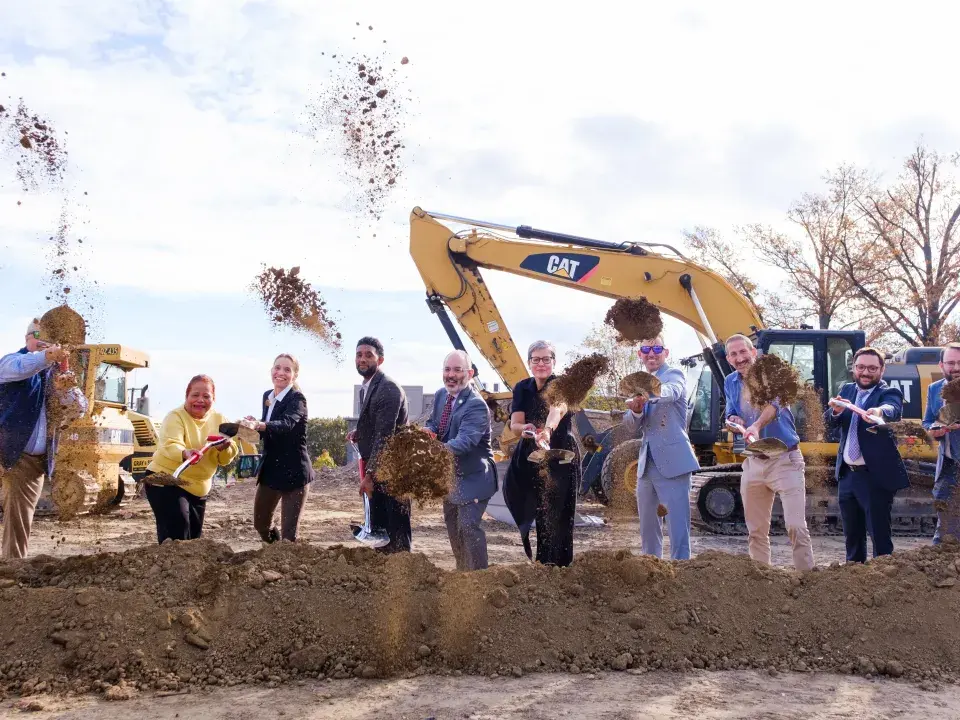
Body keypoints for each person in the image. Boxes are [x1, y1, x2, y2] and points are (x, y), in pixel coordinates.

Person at [724, 334, 815, 571]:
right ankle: (762, 582)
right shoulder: (730, 382)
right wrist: (733, 420)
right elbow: (732, 411)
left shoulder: (772, 374)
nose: (739, 358)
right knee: (755, 530)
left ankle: (808, 580)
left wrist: (756, 426)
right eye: (733, 354)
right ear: (728, 358)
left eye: (743, 352)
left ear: (753, 352)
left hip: (785, 459)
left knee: (795, 525)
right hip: (754, 462)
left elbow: (775, 404)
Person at [0, 319, 87, 559]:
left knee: (21, 518)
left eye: (50, 341)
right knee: (17, 518)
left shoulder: (57, 376)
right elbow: (22, 367)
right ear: (28, 338)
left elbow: (80, 408)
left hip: (36, 462)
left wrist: (64, 388)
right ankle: (13, 570)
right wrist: (48, 356)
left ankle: (12, 568)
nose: (43, 345)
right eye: (38, 338)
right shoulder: (12, 362)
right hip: (11, 453)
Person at [620, 335, 699, 561]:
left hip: (674, 462)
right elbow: (630, 425)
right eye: (646, 348)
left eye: (657, 348)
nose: (651, 352)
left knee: (677, 525)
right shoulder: (637, 385)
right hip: (647, 465)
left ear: (666, 352)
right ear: (640, 354)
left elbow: (671, 392)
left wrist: (647, 394)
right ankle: (651, 569)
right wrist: (635, 409)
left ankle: (681, 571)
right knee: (648, 526)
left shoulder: (673, 375)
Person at [503, 340, 581, 567]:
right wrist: (526, 429)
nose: (541, 364)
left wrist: (546, 431)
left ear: (554, 362)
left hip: (561, 454)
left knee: (559, 511)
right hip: (532, 453)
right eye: (536, 359)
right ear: (529, 362)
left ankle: (558, 566)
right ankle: (540, 561)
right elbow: (516, 423)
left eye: (546, 359)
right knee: (534, 505)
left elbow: (557, 409)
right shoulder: (522, 388)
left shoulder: (563, 385)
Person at [826, 346, 907, 563]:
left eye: (872, 368)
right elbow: (830, 422)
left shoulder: (888, 393)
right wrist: (836, 411)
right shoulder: (848, 390)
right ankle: (855, 576)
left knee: (879, 535)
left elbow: (893, 409)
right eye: (860, 367)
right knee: (852, 536)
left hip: (874, 476)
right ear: (853, 368)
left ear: (882, 370)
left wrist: (879, 412)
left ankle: (884, 580)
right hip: (847, 476)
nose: (865, 372)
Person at [423, 350, 497, 571]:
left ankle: (479, 579)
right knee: (454, 529)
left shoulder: (475, 405)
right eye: (447, 370)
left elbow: (464, 442)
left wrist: (432, 454)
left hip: (474, 476)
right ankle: (463, 575)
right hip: (451, 477)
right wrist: (429, 430)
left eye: (457, 370)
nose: (451, 375)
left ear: (470, 373)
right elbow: (436, 423)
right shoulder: (440, 396)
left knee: (467, 526)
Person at [143, 374, 238, 543]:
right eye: (195, 395)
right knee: (178, 533)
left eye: (206, 396)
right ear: (187, 396)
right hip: (167, 480)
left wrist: (226, 447)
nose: (200, 400)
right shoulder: (175, 416)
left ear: (213, 399)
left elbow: (225, 459)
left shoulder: (220, 420)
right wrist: (184, 453)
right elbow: (170, 444)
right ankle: (168, 567)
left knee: (193, 541)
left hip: (198, 488)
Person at [347, 337, 410, 553]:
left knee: (396, 533)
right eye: (358, 355)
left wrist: (370, 476)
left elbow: (385, 436)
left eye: (368, 355)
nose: (362, 359)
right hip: (380, 472)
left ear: (380, 360)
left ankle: (404, 580)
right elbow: (377, 424)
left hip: (393, 474)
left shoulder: (388, 388)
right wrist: (361, 433)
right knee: (380, 534)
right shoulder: (369, 386)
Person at [245, 353, 314, 543]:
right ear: (271, 370)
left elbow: (286, 424)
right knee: (261, 525)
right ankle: (274, 551)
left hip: (294, 472)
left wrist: (261, 425)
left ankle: (286, 567)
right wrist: (250, 426)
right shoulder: (267, 396)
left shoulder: (297, 399)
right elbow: (267, 431)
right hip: (271, 470)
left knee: (289, 536)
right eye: (277, 368)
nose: (280, 373)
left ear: (294, 375)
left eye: (287, 369)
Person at [922, 343, 960, 544]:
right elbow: (927, 421)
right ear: (941, 365)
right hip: (949, 463)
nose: (956, 367)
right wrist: (936, 428)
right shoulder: (934, 389)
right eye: (951, 362)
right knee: (946, 524)